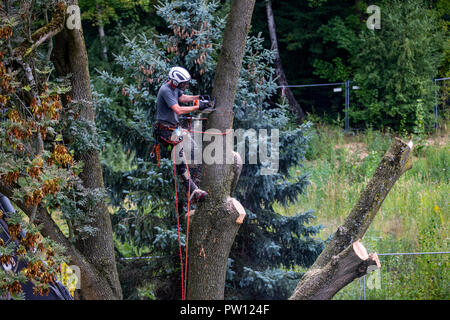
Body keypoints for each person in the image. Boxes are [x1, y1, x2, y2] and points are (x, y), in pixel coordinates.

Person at [153, 66, 214, 203]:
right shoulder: (165, 90)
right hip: (165, 132)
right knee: (180, 160)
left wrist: (198, 98)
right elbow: (178, 110)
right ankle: (193, 191)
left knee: (193, 150)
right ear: (175, 82)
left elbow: (182, 98)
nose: (185, 85)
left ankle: (195, 181)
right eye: (183, 84)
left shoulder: (174, 88)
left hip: (174, 129)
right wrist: (198, 106)